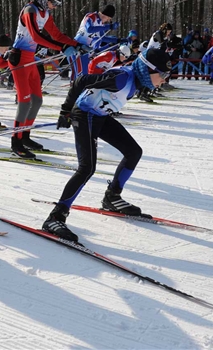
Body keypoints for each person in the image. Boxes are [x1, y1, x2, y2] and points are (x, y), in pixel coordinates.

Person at [42, 48, 171, 242]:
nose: (164, 80)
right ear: (147, 69)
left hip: (99, 116)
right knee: (87, 168)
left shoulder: (135, 80)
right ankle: (55, 216)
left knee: (133, 152)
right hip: (84, 115)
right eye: (162, 74)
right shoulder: (121, 77)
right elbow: (81, 81)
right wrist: (65, 111)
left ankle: (112, 197)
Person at [9, 0, 79, 159]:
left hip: (30, 59)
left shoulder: (45, 13)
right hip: (18, 59)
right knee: (24, 102)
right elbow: (36, 36)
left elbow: (56, 34)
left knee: (37, 100)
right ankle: (15, 142)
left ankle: (25, 136)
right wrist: (61, 48)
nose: (54, 7)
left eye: (57, 4)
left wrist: (76, 44)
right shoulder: (30, 10)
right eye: (53, 3)